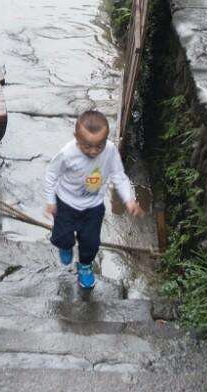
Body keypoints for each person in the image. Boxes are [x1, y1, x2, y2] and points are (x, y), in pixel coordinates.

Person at [44, 110, 144, 290]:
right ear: (76, 137)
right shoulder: (67, 154)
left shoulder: (111, 151)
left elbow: (118, 176)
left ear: (106, 139)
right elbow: (51, 174)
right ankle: (65, 246)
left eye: (99, 146)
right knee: (63, 238)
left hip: (93, 207)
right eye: (87, 146)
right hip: (66, 204)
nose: (93, 151)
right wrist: (50, 200)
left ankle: (85, 266)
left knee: (91, 242)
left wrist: (129, 200)